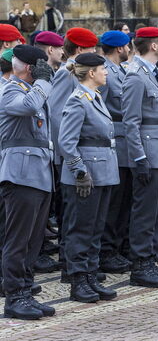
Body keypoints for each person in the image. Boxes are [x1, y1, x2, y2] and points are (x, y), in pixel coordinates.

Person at [58, 53, 120, 303]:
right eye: (103, 69)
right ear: (91, 73)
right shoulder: (77, 100)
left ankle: (91, 276)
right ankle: (78, 280)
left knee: (95, 229)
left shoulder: (94, 98)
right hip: (86, 176)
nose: (107, 73)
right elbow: (66, 142)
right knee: (80, 229)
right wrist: (79, 171)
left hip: (103, 173)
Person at [0, 45, 55, 320]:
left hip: (40, 175)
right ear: (29, 68)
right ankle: (14, 297)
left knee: (34, 240)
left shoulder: (35, 91)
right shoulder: (11, 89)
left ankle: (25, 290)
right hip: (20, 174)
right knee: (18, 239)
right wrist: (43, 81)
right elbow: (28, 106)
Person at [121, 26, 158, 288]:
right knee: (145, 211)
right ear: (153, 45)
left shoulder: (154, 74)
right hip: (148, 153)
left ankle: (151, 259)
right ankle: (141, 263)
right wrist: (139, 157)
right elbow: (131, 122)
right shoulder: (135, 76)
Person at [98, 30, 134, 275]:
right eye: (127, 45)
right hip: (115, 142)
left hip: (127, 142)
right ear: (120, 48)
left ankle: (117, 246)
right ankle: (107, 250)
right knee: (114, 202)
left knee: (124, 201)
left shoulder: (120, 71)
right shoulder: (104, 73)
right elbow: (99, 109)